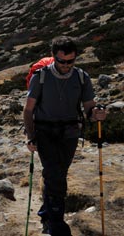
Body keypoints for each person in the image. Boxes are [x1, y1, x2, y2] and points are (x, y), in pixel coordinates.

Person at [23, 36, 106, 235]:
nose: (66, 65)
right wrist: (30, 136)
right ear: (54, 57)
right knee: (55, 175)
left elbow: (88, 108)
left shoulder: (81, 77)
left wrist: (96, 114)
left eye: (71, 61)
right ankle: (57, 226)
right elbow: (28, 110)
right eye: (62, 61)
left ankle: (46, 212)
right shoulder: (40, 77)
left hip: (70, 133)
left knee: (56, 174)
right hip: (44, 132)